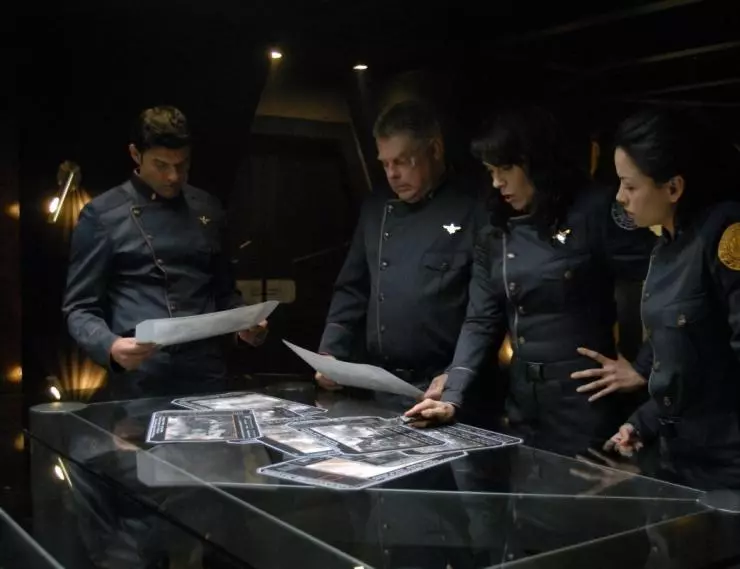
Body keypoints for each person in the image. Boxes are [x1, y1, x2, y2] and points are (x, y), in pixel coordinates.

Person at [406, 105, 656, 457]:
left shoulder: (595, 210)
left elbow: (668, 283)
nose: (497, 182)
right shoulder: (495, 226)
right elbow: (481, 319)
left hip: (584, 399)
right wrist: (453, 394)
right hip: (523, 398)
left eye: (506, 168)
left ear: (536, 162)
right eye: (491, 171)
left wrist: (644, 366)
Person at [315, 99, 504, 425]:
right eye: (385, 163)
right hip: (383, 386)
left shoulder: (476, 207)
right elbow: (353, 288)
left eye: (402, 161)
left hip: (448, 387)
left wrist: (456, 378)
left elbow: (484, 313)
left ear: (434, 149)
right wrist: (330, 353)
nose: (392, 174)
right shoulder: (377, 208)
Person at [63, 105, 267, 400]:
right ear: (135, 154)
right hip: (141, 373)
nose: (173, 176)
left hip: (207, 371)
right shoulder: (102, 215)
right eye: (161, 165)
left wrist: (244, 323)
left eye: (182, 165)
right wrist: (109, 345)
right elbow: (79, 308)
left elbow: (224, 291)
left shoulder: (208, 208)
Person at [598, 109, 740, 490]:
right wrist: (643, 422)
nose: (620, 197)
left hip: (726, 465)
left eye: (629, 186)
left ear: (673, 188)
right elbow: (684, 361)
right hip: (678, 455)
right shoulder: (668, 245)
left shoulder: (726, 234)